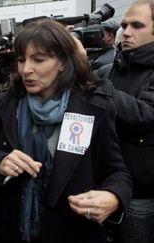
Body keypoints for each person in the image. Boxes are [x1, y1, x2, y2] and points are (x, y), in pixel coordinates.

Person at [0, 19, 132, 243]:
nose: (26, 69)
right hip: (9, 228)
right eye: (21, 60)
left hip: (72, 230)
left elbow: (117, 172)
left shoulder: (93, 105)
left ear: (63, 62)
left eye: (39, 60)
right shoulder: (7, 103)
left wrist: (113, 197)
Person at [95, 1, 154, 242]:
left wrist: (100, 89)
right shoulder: (109, 69)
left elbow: (146, 114)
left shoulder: (105, 78)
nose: (126, 32)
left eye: (137, 25)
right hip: (103, 186)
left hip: (139, 194)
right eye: (124, 25)